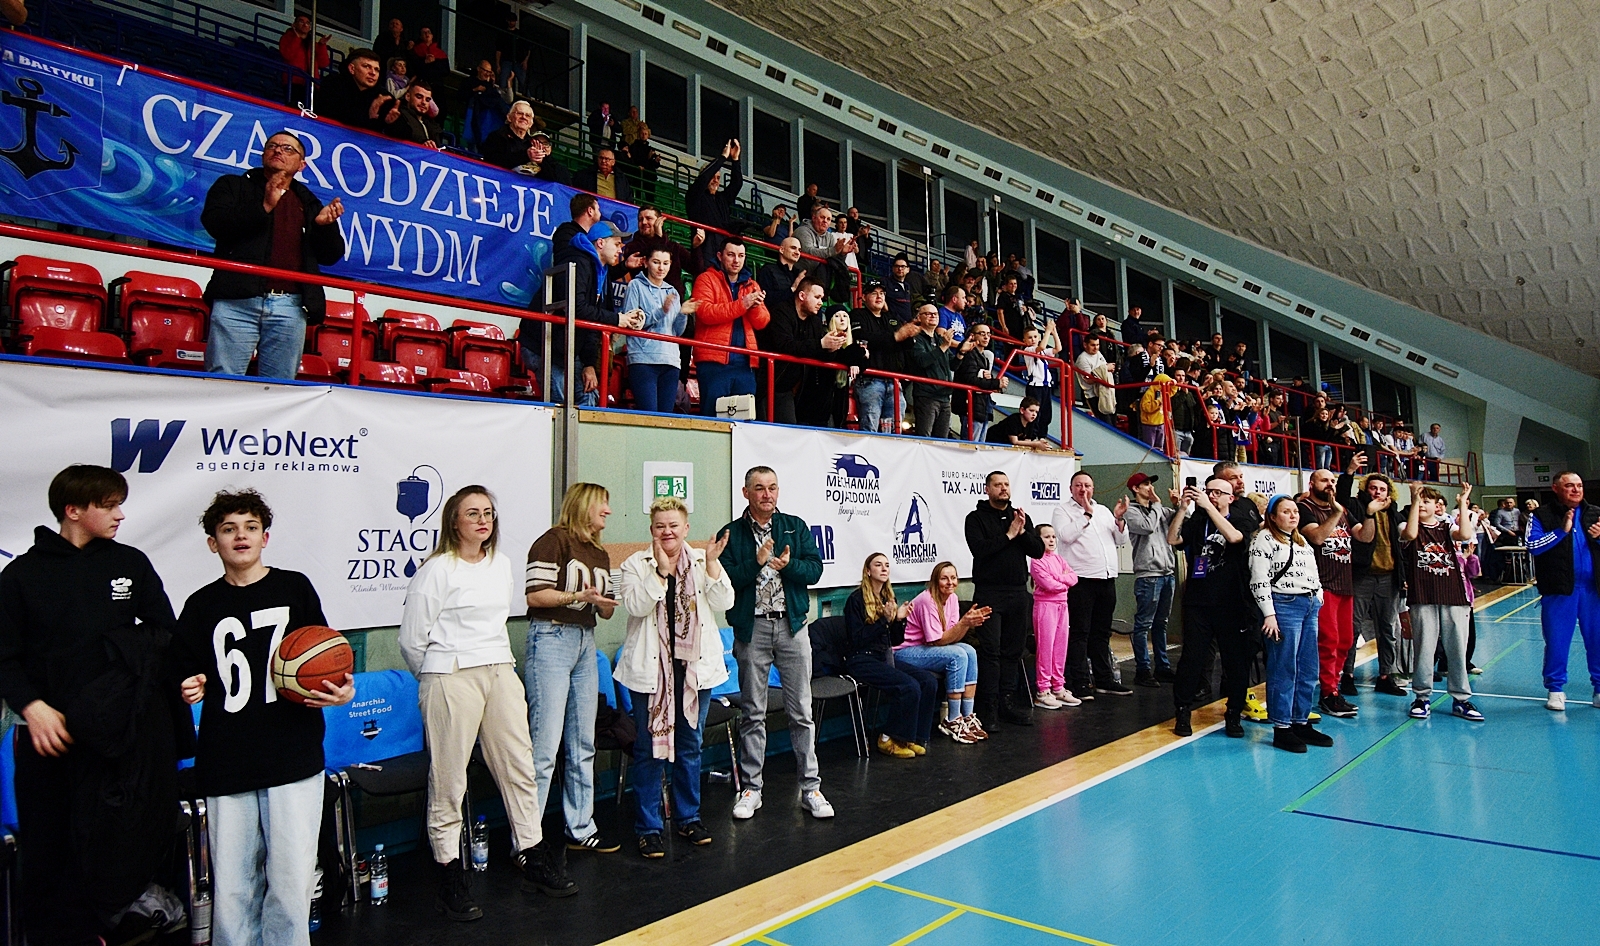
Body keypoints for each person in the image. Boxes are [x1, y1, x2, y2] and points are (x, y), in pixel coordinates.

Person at [0, 465, 185, 946]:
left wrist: (181, 677)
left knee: (111, 845)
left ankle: (113, 929)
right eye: (109, 505)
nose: (120, 515)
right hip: (50, 738)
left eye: (120, 504)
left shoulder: (131, 563)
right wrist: (33, 707)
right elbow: (4, 656)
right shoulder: (21, 575)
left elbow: (166, 633)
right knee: (48, 850)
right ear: (74, 510)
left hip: (115, 739)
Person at [173, 490, 355, 943]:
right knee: (233, 888)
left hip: (292, 754)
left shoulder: (294, 588)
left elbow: (328, 656)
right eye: (229, 529)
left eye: (250, 528)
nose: (241, 536)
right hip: (226, 758)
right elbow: (183, 669)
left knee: (291, 883)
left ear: (265, 538)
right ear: (213, 543)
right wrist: (189, 683)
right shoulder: (200, 605)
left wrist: (343, 690)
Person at [399, 486, 546, 917]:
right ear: (454, 522)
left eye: (488, 513)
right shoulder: (435, 571)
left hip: (499, 669)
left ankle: (532, 852)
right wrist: (439, 677)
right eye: (473, 514)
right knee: (449, 778)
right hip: (449, 674)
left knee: (519, 765)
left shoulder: (501, 564)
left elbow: (497, 623)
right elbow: (412, 641)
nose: (483, 521)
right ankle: (448, 872)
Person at [614, 498, 734, 858]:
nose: (667, 532)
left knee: (690, 746)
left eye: (674, 526)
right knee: (648, 750)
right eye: (660, 526)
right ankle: (649, 827)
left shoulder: (700, 560)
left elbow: (725, 601)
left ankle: (688, 817)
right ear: (652, 530)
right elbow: (635, 606)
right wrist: (660, 573)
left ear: (686, 528)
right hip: (652, 675)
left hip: (694, 672)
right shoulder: (635, 565)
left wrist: (712, 565)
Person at [718, 467, 831, 820]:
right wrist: (755, 563)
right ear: (746, 493)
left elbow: (814, 570)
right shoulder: (731, 533)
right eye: (759, 488)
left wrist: (788, 565)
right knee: (753, 712)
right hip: (752, 629)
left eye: (772, 488)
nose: (767, 494)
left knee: (801, 712)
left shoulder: (794, 526)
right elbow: (724, 581)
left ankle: (811, 788)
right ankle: (752, 789)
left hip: (792, 627)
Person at [523, 484, 620, 880]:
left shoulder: (599, 552)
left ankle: (581, 827)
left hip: (584, 638)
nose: (608, 511)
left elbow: (606, 610)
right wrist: (576, 595)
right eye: (602, 504)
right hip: (551, 637)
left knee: (583, 741)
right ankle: (526, 839)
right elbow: (535, 597)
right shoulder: (553, 541)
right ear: (584, 505)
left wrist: (605, 604)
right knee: (544, 746)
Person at [200, 131, 345, 380]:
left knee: (279, 387)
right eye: (272, 146)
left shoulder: (308, 202)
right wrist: (265, 206)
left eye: (288, 149)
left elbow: (330, 256)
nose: (278, 150)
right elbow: (215, 224)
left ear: (301, 165)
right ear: (263, 154)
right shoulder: (233, 185)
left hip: (290, 306)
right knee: (222, 381)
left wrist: (324, 227)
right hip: (236, 301)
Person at [1168, 476, 1253, 738]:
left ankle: (1234, 712)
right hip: (1199, 601)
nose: (1211, 495)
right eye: (1208, 491)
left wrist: (1208, 507)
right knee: (1192, 658)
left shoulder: (1240, 518)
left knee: (1235, 661)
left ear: (1231, 498)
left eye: (1218, 492)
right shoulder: (1198, 520)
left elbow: (1235, 537)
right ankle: (1183, 710)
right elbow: (1173, 539)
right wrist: (1183, 508)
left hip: (1231, 602)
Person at [1249, 496, 1333, 752]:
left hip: (1309, 605)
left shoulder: (1301, 541)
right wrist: (1269, 613)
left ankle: (1300, 720)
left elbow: (1313, 572)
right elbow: (1259, 578)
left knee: (1308, 667)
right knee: (1284, 667)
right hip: (1284, 606)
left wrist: (1318, 597)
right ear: (1273, 517)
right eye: (1286, 512)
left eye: (1295, 511)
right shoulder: (1263, 539)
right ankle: (1282, 726)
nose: (1293, 515)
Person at [964, 472, 1046, 724]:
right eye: (997, 485)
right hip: (990, 592)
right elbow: (980, 550)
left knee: (1013, 651)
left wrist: (1021, 533)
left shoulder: (1019, 517)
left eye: (1006, 484)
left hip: (1017, 592)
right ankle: (988, 708)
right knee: (991, 651)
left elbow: (1038, 551)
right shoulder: (975, 518)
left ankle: (1007, 703)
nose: (1003, 488)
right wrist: (1008, 535)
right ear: (987, 489)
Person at [1399, 484, 1483, 721]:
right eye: (1419, 501)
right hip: (1423, 595)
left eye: (1427, 501)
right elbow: (1411, 535)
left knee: (1457, 649)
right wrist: (1415, 500)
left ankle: (1461, 699)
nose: (1422, 505)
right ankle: (1421, 697)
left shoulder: (1447, 526)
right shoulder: (1406, 526)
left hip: (1453, 594)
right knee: (1424, 648)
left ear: (1437, 506)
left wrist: (1463, 503)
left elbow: (1465, 535)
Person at [843, 554, 939, 759]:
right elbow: (858, 639)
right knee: (908, 686)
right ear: (868, 571)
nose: (884, 568)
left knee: (928, 681)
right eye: (878, 565)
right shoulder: (856, 600)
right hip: (861, 659)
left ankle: (912, 737)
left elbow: (895, 640)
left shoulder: (888, 598)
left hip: (883, 657)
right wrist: (885, 621)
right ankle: (887, 738)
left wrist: (899, 620)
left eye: (887, 565)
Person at [1526, 472, 1600, 711]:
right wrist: (1561, 531)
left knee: (1598, 642)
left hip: (1593, 591)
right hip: (1558, 590)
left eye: (1579, 485)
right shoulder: (1541, 515)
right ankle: (1556, 690)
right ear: (1556, 488)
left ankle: (1599, 689)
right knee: (1557, 642)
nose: (1576, 490)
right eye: (1569, 485)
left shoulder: (1596, 513)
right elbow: (1533, 546)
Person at [1053, 472, 1131, 699]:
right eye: (1078, 485)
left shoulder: (1104, 510)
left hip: (1106, 579)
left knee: (1102, 633)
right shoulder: (1062, 511)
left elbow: (1121, 540)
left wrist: (1119, 520)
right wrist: (1086, 514)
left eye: (1087, 485)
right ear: (1071, 489)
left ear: (1093, 488)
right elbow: (1065, 536)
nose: (1083, 489)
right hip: (1081, 580)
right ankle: (1080, 682)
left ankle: (1104, 680)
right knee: (1080, 633)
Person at [896, 562, 988, 742]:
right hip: (904, 651)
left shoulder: (952, 598)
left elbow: (952, 637)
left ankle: (967, 716)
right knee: (957, 655)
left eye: (953, 578)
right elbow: (937, 640)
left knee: (969, 651)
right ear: (935, 581)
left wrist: (965, 624)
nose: (950, 582)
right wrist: (964, 623)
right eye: (944, 578)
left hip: (926, 648)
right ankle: (952, 719)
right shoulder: (927, 600)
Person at [1338, 465, 1409, 696]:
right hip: (1362, 576)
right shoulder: (1357, 506)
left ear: (1389, 493)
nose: (1378, 492)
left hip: (1388, 577)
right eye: (1373, 488)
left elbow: (1401, 546)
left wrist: (1402, 577)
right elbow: (1341, 498)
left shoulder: (1394, 513)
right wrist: (1349, 472)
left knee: (1387, 629)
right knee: (1353, 627)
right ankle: (1347, 675)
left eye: (1382, 489)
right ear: (1365, 489)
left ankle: (1386, 675)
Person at [1298, 464, 1360, 718]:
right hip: (1322, 584)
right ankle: (1327, 693)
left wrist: (1370, 514)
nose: (1330, 485)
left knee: (1345, 640)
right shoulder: (1304, 508)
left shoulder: (1342, 509)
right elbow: (1317, 537)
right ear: (1312, 484)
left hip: (1345, 583)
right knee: (1329, 641)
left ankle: (1333, 687)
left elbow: (1364, 536)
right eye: (1324, 480)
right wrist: (1335, 513)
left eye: (1333, 480)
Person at [691, 237, 770, 416]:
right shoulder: (705, 279)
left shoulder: (752, 284)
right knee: (712, 417)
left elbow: (762, 322)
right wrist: (743, 304)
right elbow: (705, 313)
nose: (736, 260)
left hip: (745, 363)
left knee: (744, 419)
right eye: (731, 255)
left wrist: (755, 307)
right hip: (713, 362)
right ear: (720, 256)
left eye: (741, 256)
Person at [622, 247, 695, 413]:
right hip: (643, 360)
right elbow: (632, 322)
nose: (661, 268)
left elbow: (677, 332)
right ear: (646, 263)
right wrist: (661, 311)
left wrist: (683, 313)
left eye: (666, 263)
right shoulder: (635, 286)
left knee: (664, 419)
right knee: (649, 416)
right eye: (656, 262)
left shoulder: (673, 291)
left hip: (670, 361)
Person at [1124, 472, 1177, 687]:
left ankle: (1162, 666)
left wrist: (1179, 505)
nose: (1150, 488)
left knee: (1161, 623)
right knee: (1143, 624)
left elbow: (1182, 521)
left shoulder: (1160, 510)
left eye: (1150, 484)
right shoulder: (1130, 511)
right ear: (1135, 489)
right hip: (1148, 575)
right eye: (1145, 484)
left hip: (1167, 573)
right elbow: (1146, 527)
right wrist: (1157, 504)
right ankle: (1143, 669)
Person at [850, 277, 919, 434]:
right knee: (870, 430)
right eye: (874, 293)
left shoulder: (892, 318)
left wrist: (910, 334)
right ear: (864, 297)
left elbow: (906, 344)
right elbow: (863, 337)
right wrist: (895, 337)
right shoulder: (857, 315)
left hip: (894, 382)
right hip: (870, 381)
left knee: (895, 433)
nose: (879, 296)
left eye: (882, 293)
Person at [1030, 524, 1079, 708]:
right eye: (1046, 537)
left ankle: (1058, 687)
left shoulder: (1059, 559)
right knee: (1046, 648)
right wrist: (1063, 580)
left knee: (1060, 647)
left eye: (1053, 536)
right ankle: (1043, 690)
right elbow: (1048, 584)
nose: (1051, 540)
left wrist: (1059, 578)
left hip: (1062, 605)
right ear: (1038, 539)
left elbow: (1074, 578)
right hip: (1045, 606)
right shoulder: (1037, 560)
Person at [686, 140, 744, 267]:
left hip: (723, 247)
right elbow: (703, 179)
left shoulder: (722, 198)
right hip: (704, 247)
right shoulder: (694, 196)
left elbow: (737, 183)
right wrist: (722, 158)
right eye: (712, 177)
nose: (715, 180)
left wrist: (735, 160)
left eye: (718, 178)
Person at [909, 302, 955, 438]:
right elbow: (922, 361)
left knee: (942, 441)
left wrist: (961, 353)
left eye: (935, 314)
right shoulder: (915, 338)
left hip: (944, 396)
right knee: (924, 438)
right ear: (919, 317)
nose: (933, 316)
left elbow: (953, 365)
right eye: (928, 314)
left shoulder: (940, 339)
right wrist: (944, 347)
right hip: (926, 396)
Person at [952, 323, 1003, 441]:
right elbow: (970, 379)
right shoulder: (968, 353)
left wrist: (991, 380)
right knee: (970, 444)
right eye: (982, 334)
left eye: (988, 334)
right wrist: (996, 383)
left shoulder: (984, 357)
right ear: (973, 336)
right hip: (969, 405)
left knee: (979, 445)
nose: (986, 337)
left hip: (981, 405)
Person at [319, 49, 390, 131]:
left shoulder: (382, 95)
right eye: (367, 66)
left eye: (377, 69)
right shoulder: (333, 83)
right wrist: (369, 117)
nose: (373, 73)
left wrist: (393, 123)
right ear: (352, 68)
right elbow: (332, 116)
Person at [277, 14, 328, 103]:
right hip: (293, 81)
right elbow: (288, 55)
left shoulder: (313, 44)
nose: (305, 25)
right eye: (301, 22)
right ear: (294, 24)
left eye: (307, 23)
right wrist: (296, 38)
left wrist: (321, 46)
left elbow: (324, 63)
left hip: (312, 84)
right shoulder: (287, 38)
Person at [457, 61, 508, 152]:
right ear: (479, 69)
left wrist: (492, 83)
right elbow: (460, 96)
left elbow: (497, 100)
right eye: (485, 71)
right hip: (473, 113)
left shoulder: (489, 85)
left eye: (489, 72)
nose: (487, 74)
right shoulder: (469, 81)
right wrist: (475, 90)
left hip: (488, 119)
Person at [382, 79, 443, 148]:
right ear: (408, 96)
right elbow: (399, 132)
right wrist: (392, 124)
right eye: (419, 97)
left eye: (427, 100)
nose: (424, 102)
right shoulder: (400, 116)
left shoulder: (431, 123)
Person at [481, 100, 541, 170]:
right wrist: (526, 155)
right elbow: (494, 161)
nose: (524, 117)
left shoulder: (534, 143)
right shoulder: (496, 137)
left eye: (528, 116)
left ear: (531, 123)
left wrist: (541, 161)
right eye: (519, 113)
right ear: (509, 117)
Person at [1075, 335, 1116, 423]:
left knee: (1113, 421)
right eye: (1093, 345)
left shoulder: (1098, 353)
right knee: (1105, 423)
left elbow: (1104, 368)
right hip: (1093, 396)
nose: (1096, 348)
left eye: (1097, 345)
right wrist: (1105, 369)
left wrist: (1108, 369)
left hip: (1106, 392)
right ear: (1085, 345)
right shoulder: (1082, 359)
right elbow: (1089, 380)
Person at [985, 398, 1051, 449]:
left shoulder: (1031, 422)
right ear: (1022, 410)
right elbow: (1014, 441)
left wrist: (1040, 443)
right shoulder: (1013, 420)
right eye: (1031, 411)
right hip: (991, 442)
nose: (1034, 414)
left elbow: (1027, 441)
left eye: (1036, 412)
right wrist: (1036, 444)